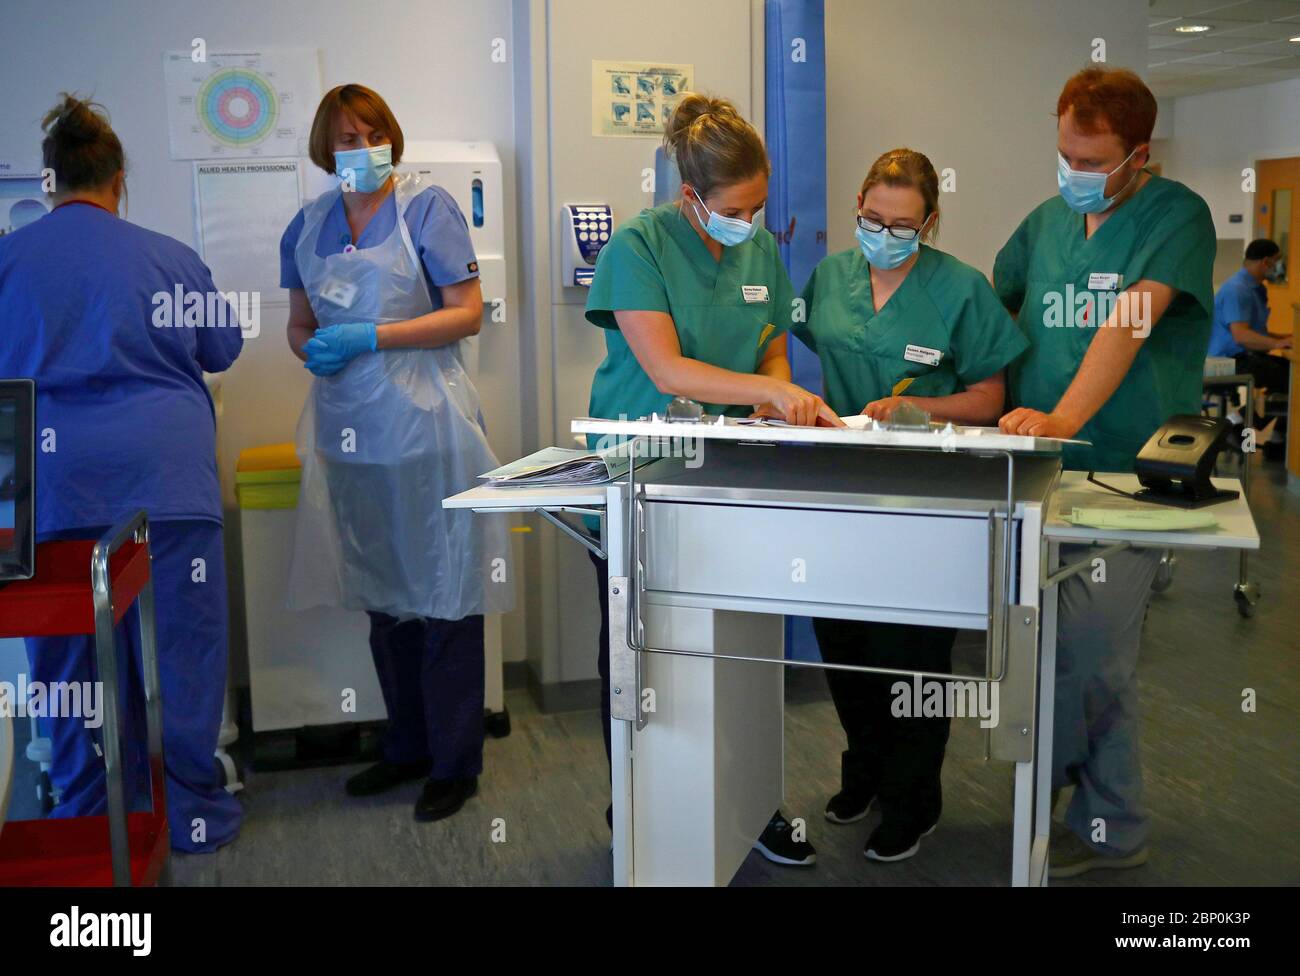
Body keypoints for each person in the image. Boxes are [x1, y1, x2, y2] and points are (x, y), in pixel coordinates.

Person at [584, 92, 839, 866]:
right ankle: (639, 800)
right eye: (737, 207)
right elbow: (664, 369)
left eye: (762, 206)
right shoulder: (637, 246)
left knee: (743, 651)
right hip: (645, 473)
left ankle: (748, 802)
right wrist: (770, 392)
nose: (752, 222)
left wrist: (775, 388)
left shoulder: (758, 250)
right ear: (690, 196)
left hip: (733, 473)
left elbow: (767, 343)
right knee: (645, 653)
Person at [0, 94, 244, 852]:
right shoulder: (169, 257)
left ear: (49, 181)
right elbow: (223, 349)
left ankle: (88, 816)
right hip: (165, 481)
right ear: (119, 179)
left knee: (68, 654)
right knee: (182, 651)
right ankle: (194, 811)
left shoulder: (9, 260)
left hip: (50, 490)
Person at [993, 66, 1216, 878]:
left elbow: (1127, 323)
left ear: (1139, 155)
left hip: (1127, 470)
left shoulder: (1177, 216)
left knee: (1091, 652)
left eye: (1092, 162)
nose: (1074, 175)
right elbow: (1001, 315)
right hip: (1036, 469)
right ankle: (1113, 823)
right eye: (1065, 156)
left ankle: (1061, 794)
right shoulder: (1046, 222)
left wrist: (1064, 419)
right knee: (1069, 653)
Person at [279, 84, 512, 823]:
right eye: (346, 137)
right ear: (326, 148)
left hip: (427, 427)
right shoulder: (308, 224)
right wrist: (311, 349)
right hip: (349, 432)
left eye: (373, 132)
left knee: (445, 592)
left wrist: (372, 336)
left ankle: (454, 761)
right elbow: (298, 321)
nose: (361, 147)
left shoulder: (426, 208)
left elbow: (466, 313)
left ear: (392, 138)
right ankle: (406, 746)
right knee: (384, 593)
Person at [795, 148, 1028, 861]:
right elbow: (798, 347)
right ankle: (861, 773)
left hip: (927, 498)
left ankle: (913, 800)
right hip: (841, 488)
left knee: (911, 658)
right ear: (858, 205)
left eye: (903, 224)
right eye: (872, 218)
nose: (885, 233)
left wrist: (915, 405)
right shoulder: (831, 276)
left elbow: (991, 398)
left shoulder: (960, 288)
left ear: (931, 220)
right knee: (845, 645)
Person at [1208, 238, 1292, 417]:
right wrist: (1277, 344)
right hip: (1230, 360)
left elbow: (1256, 333)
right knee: (1291, 380)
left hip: (1244, 356)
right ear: (1266, 262)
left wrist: (1285, 338)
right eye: (1278, 261)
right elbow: (1242, 336)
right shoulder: (1237, 290)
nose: (1280, 267)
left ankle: (1275, 439)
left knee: (1291, 375)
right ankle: (1235, 425)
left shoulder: (1254, 288)